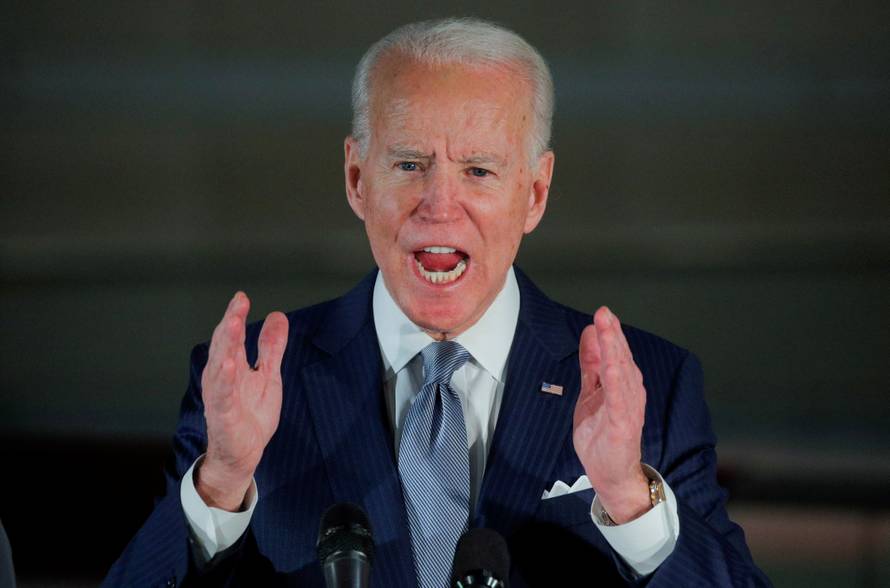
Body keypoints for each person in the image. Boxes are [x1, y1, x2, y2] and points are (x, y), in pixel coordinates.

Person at [104, 18, 770, 587]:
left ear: (534, 193)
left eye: (478, 170)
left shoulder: (652, 386)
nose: (440, 204)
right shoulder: (246, 386)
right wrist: (219, 483)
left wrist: (628, 500)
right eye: (409, 164)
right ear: (357, 179)